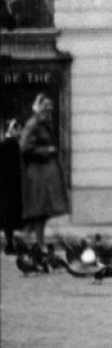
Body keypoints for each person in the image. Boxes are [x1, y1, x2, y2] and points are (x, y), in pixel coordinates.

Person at [19, 93, 70, 247]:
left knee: (43, 212)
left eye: (50, 108)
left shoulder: (44, 125)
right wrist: (46, 151)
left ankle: (32, 240)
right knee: (39, 211)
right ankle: (30, 240)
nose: (49, 111)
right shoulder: (32, 124)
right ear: (39, 108)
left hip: (45, 175)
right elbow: (24, 146)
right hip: (37, 175)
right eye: (46, 108)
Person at [1, 118, 24, 254]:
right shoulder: (9, 145)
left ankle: (10, 243)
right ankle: (9, 245)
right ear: (12, 129)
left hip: (10, 187)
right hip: (9, 187)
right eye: (19, 129)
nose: (21, 132)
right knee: (9, 216)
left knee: (9, 216)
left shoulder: (10, 144)